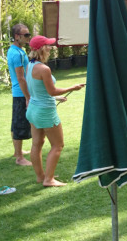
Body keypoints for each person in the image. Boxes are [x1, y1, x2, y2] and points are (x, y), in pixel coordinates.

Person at [25, 36, 85, 187]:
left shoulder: (30, 65)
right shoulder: (44, 69)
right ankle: (49, 180)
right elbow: (51, 91)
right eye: (48, 45)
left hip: (33, 109)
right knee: (58, 145)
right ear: (41, 49)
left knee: (36, 144)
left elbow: (37, 90)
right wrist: (73, 87)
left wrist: (57, 98)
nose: (51, 48)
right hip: (45, 111)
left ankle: (41, 177)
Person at [8, 23, 32, 166]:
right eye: (26, 35)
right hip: (20, 93)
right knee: (19, 124)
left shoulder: (16, 50)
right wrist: (27, 97)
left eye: (29, 34)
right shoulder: (16, 54)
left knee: (15, 123)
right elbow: (21, 77)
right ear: (17, 36)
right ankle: (19, 158)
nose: (28, 37)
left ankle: (18, 152)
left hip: (19, 92)